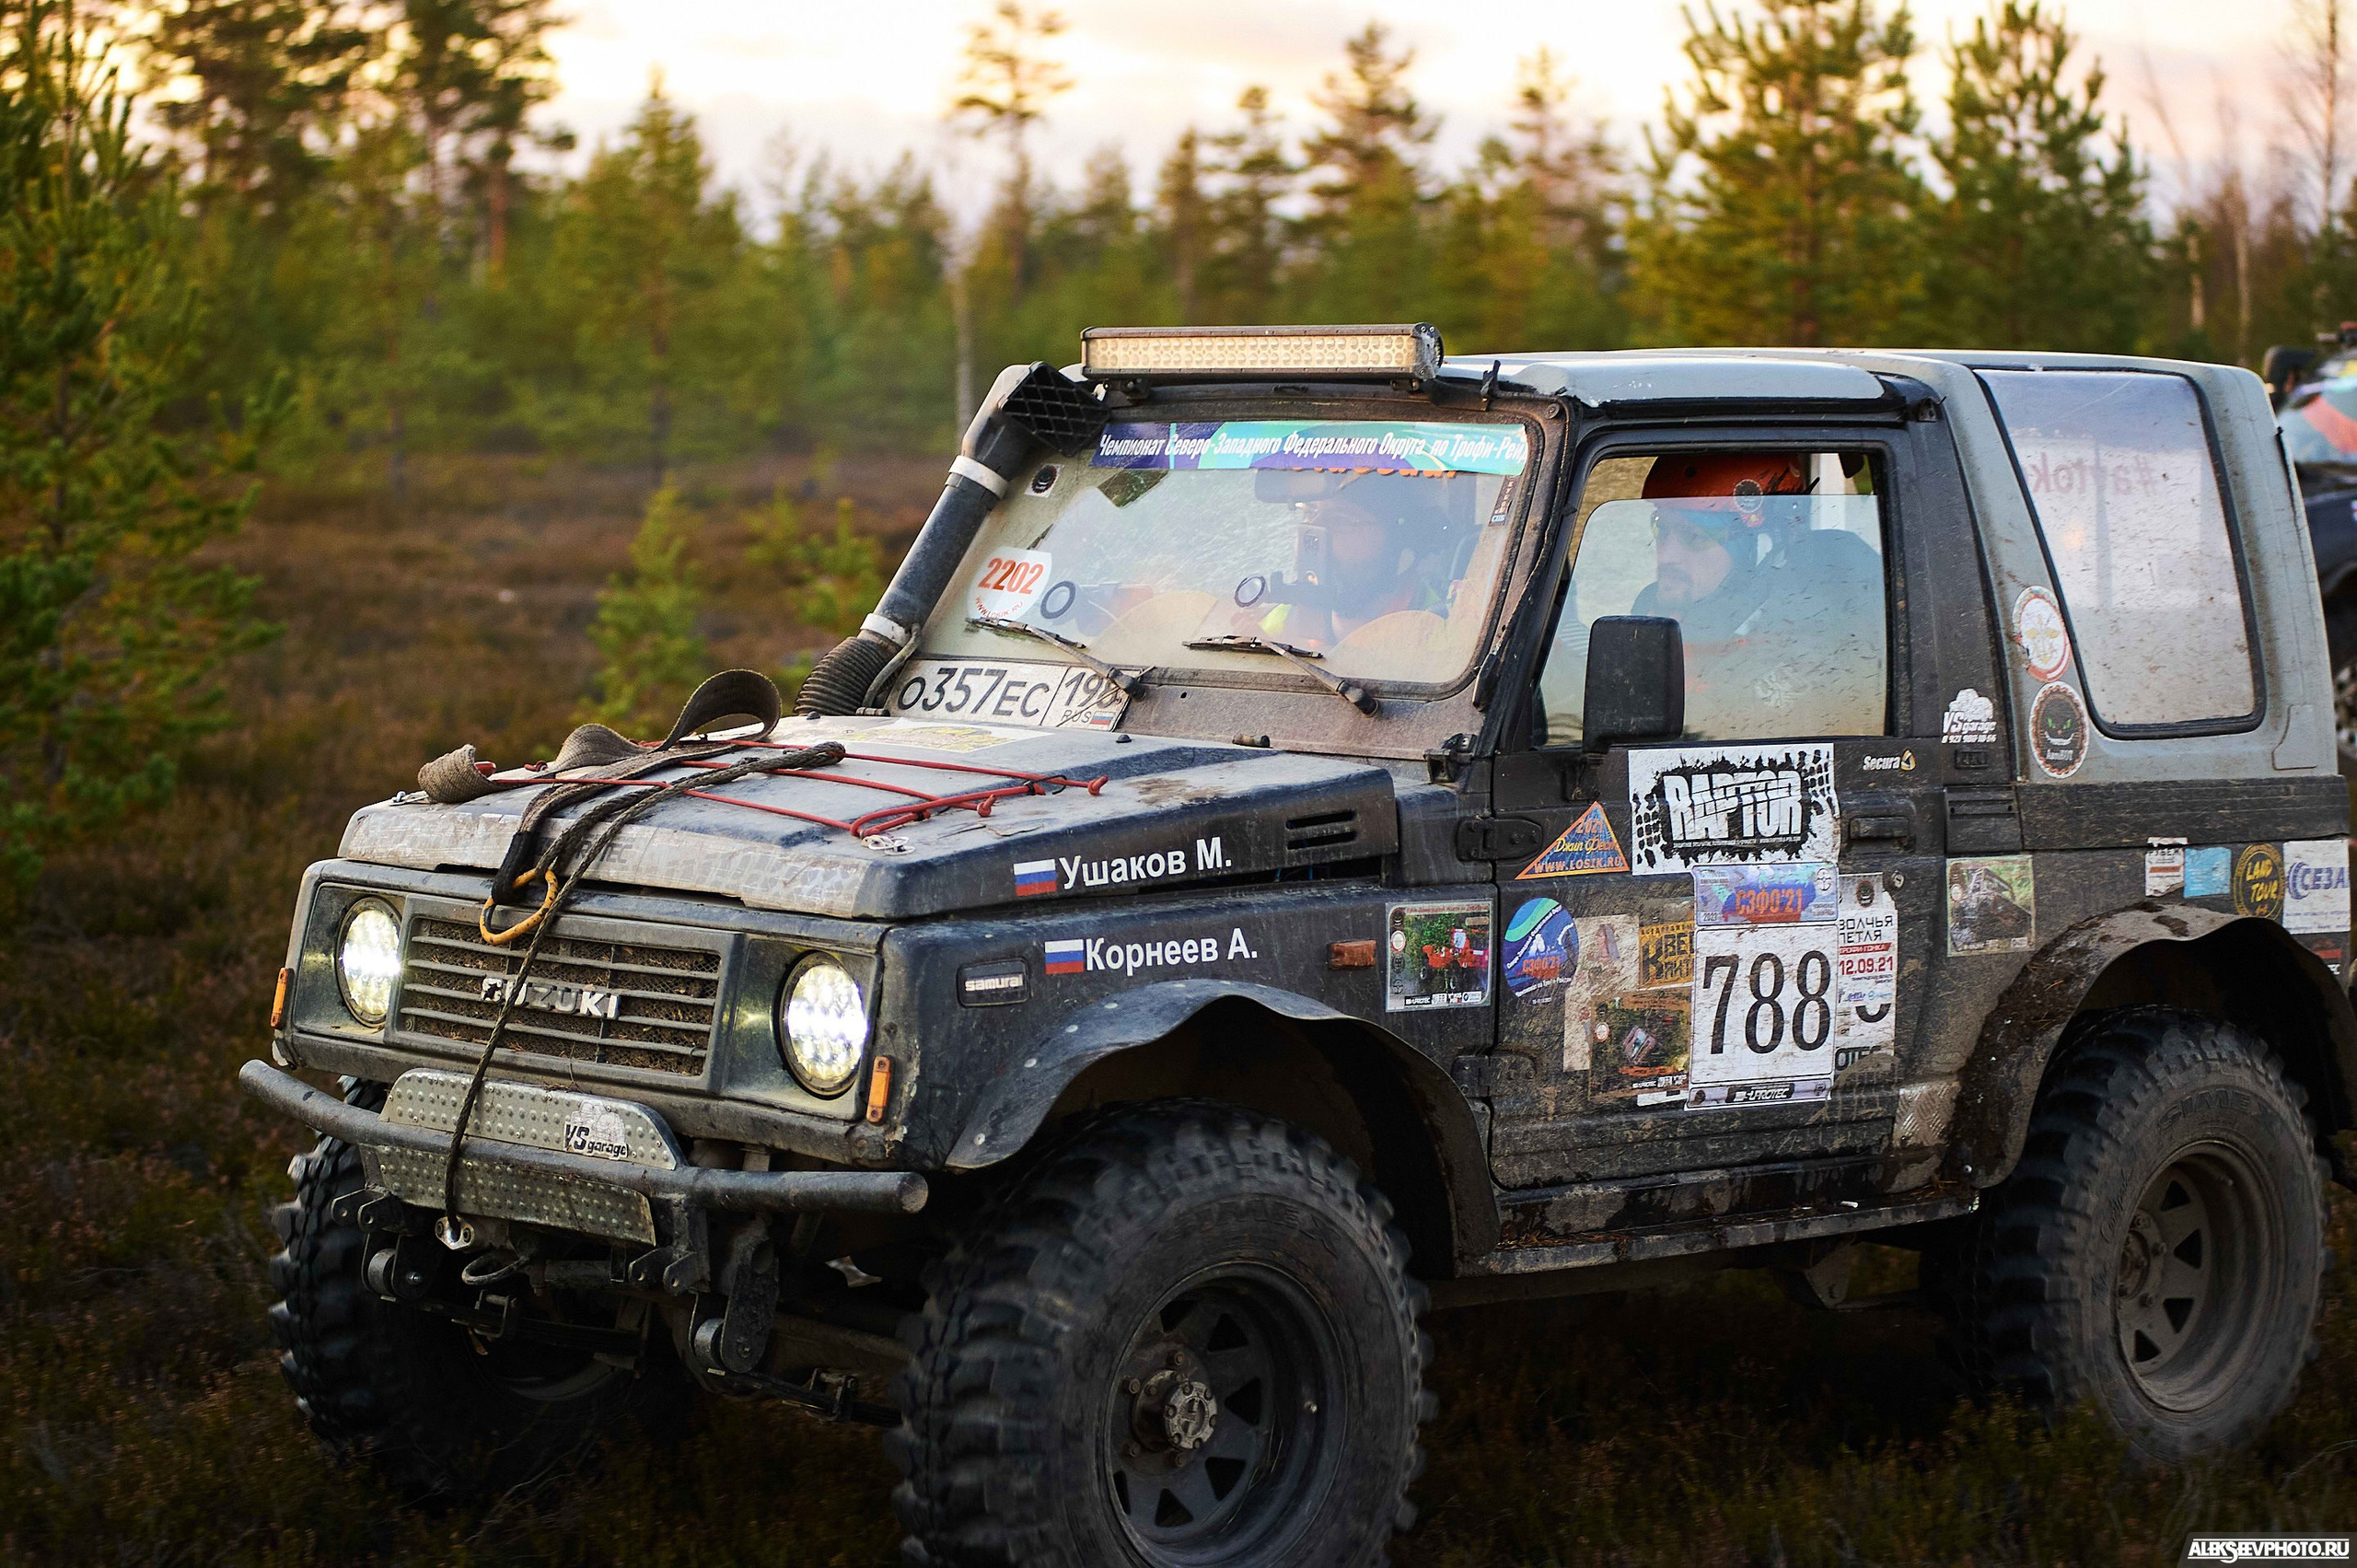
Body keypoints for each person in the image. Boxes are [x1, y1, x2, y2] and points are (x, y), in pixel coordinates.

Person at [1626, 452, 1884, 739]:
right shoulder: (1654, 609)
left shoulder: (1813, 635)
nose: (1667, 555)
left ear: (1761, 548)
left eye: (1695, 537)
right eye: (1660, 527)